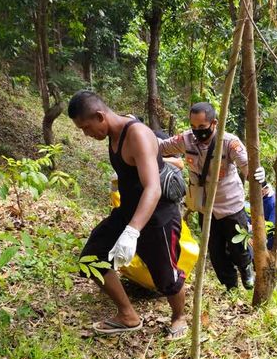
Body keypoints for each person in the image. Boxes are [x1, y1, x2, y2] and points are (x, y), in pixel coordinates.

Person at [68, 91, 187, 338]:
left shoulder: (138, 135)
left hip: (157, 217)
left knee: (166, 278)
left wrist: (132, 231)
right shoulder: (113, 133)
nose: (86, 135)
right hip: (128, 211)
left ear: (100, 116)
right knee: (91, 258)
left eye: (87, 127)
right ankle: (128, 315)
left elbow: (153, 188)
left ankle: (179, 316)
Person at [159, 102, 266, 290]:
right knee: (215, 251)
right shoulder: (186, 139)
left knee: (238, 246)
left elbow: (246, 165)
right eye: (193, 127)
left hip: (230, 203)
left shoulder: (229, 142)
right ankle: (230, 285)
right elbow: (162, 147)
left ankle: (245, 267)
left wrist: (258, 174)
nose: (197, 132)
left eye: (202, 127)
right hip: (205, 205)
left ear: (214, 123)